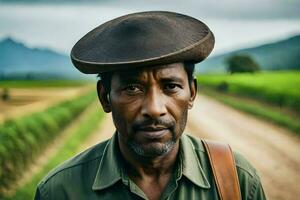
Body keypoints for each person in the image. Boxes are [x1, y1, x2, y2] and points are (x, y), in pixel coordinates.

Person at [34, 11, 266, 200]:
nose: (155, 109)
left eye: (170, 86)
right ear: (105, 98)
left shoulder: (235, 180)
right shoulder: (59, 191)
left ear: (192, 93)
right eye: (133, 88)